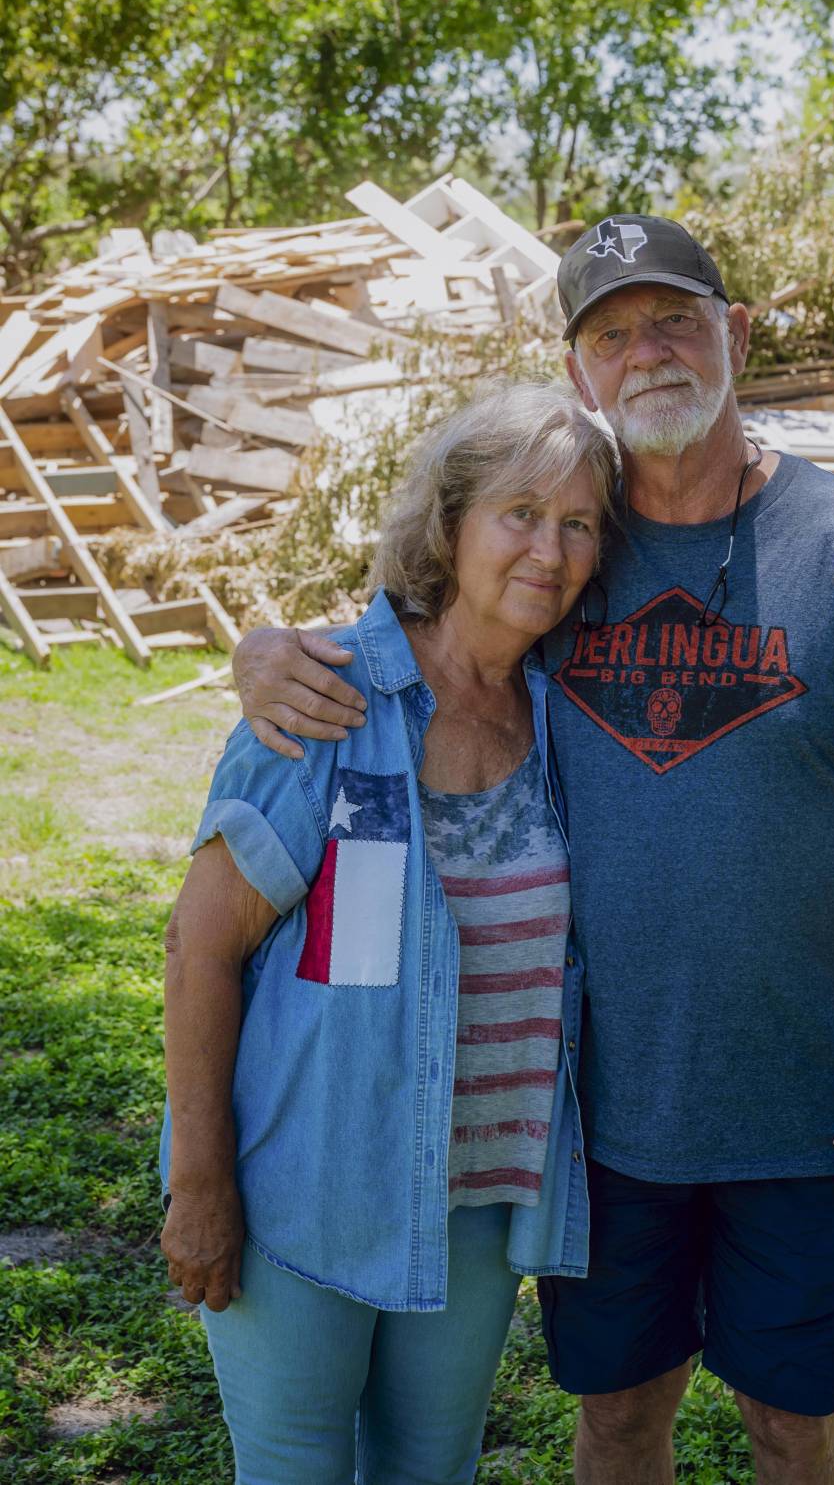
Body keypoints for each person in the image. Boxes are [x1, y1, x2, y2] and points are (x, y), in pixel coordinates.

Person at [231, 215, 834, 1485]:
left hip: (812, 1104)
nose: (647, 354)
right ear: (581, 370)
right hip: (597, 1117)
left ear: (734, 335)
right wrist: (259, 649)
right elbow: (405, 634)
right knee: (620, 1419)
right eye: (610, 334)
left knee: (795, 1427)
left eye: (675, 320)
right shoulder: (563, 549)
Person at [160, 383, 618, 1485]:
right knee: (295, 1468)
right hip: (304, 1186)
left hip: (472, 1199)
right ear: (450, 524)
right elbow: (201, 949)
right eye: (520, 512)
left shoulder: (570, 719)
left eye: (580, 522)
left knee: (432, 1467)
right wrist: (203, 1185)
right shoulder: (329, 698)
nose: (549, 550)